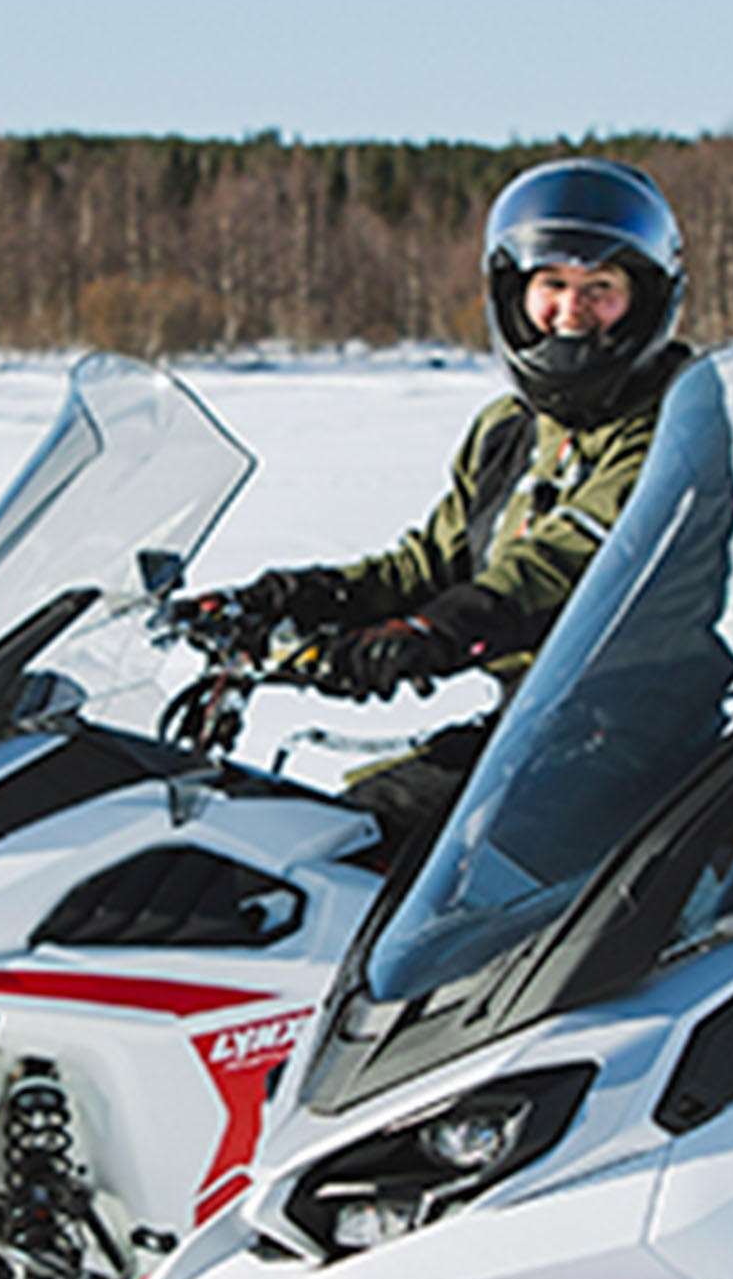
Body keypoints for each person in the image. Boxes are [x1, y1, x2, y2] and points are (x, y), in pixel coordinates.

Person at [179, 157, 693, 873]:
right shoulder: (511, 432)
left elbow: (563, 565)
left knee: (368, 857)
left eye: (600, 289)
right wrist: (293, 597)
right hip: (531, 731)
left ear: (645, 301)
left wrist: (432, 634)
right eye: (552, 285)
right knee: (321, 836)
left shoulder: (680, 424)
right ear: (516, 294)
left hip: (637, 746)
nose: (571, 310)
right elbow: (430, 563)